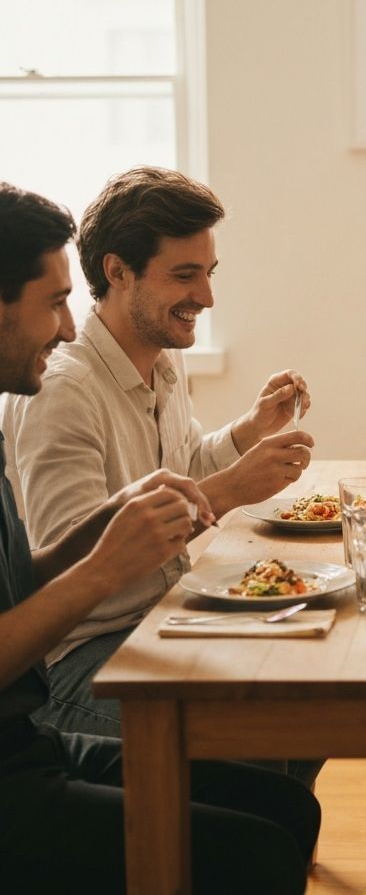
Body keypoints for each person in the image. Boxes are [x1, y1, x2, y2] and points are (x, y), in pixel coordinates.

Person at [0, 181, 320, 893]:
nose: (205, 297)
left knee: (291, 736)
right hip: (75, 665)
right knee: (265, 739)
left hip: (135, 636)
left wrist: (242, 438)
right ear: (118, 272)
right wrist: (221, 491)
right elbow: (68, 584)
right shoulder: (57, 392)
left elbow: (167, 480)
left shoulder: (160, 359)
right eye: (185, 275)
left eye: (209, 274)